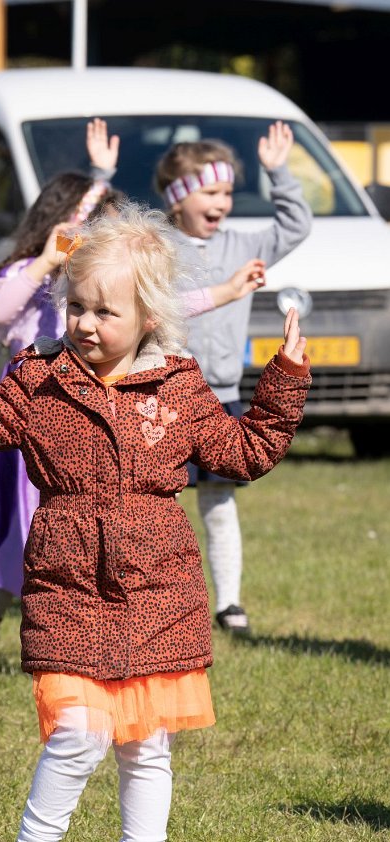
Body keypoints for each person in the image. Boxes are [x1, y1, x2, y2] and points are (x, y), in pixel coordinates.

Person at [0, 202, 310, 842]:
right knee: (78, 732)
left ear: (149, 316)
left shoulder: (178, 389)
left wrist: (282, 382)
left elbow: (244, 452)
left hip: (158, 593)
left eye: (103, 311)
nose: (84, 323)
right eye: (76, 306)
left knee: (146, 746)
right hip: (67, 587)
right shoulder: (38, 381)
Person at [0, 119, 268, 681]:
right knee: (23, 542)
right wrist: (56, 244)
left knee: (54, 548)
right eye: (91, 232)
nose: (86, 322)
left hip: (85, 438)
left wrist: (229, 291)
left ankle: (57, 645)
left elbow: (167, 301)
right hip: (28, 434)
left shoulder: (106, 297)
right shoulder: (35, 284)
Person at [156, 121, 312, 633]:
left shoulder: (243, 243)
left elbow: (295, 225)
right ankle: (159, 600)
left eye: (227, 191)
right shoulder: (155, 248)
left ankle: (228, 603)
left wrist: (279, 171)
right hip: (162, 397)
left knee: (219, 500)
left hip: (219, 398)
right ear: (179, 196)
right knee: (158, 503)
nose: (223, 202)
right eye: (211, 191)